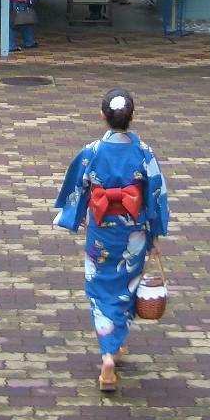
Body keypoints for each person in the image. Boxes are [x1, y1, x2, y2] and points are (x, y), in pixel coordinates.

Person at [54, 88, 169, 393]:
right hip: (134, 233)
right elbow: (156, 196)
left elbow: (77, 187)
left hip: (102, 231)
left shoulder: (91, 151)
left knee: (101, 288)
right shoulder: (144, 152)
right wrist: (155, 234)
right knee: (126, 288)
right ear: (132, 116)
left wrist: (74, 216)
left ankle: (108, 354)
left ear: (102, 115)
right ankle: (114, 347)